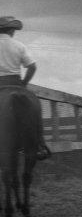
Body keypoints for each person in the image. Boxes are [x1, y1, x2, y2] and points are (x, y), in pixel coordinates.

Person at [0, 16, 51, 160]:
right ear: (11, 30)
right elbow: (32, 67)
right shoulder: (19, 46)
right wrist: (23, 83)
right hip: (16, 83)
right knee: (35, 104)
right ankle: (40, 145)